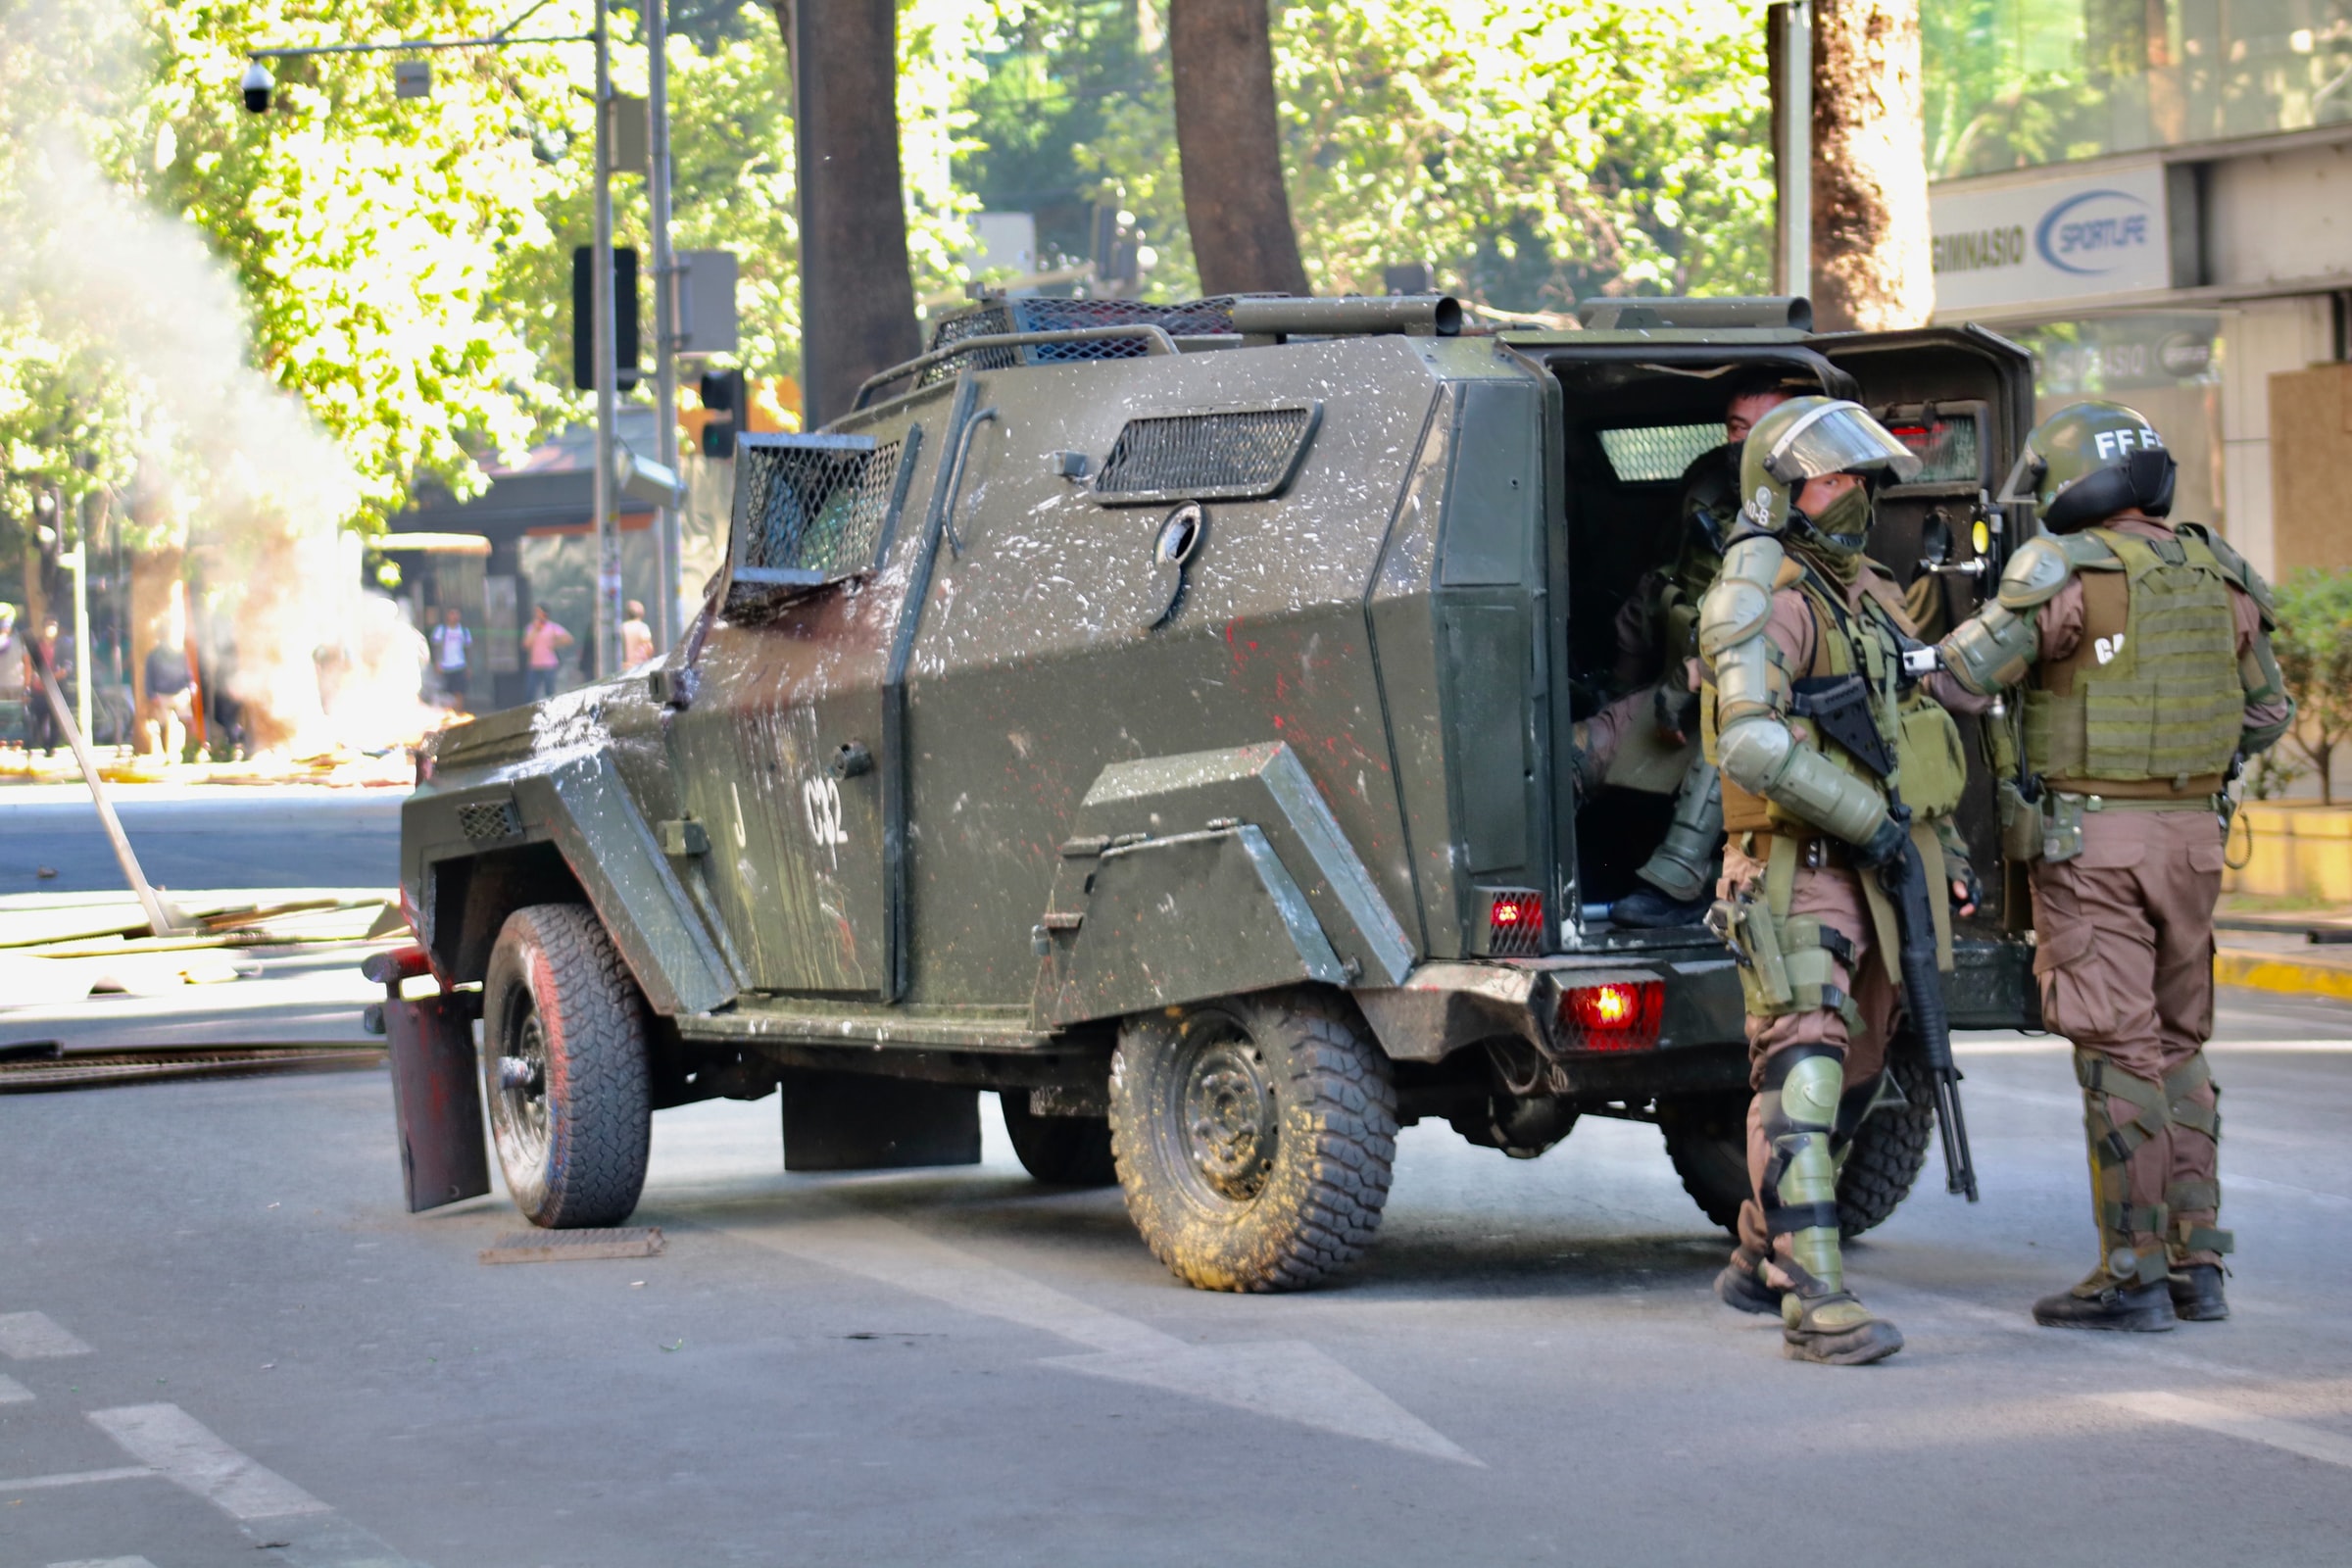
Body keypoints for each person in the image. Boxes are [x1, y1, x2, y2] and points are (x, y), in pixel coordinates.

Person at [1934, 401, 2292, 1331]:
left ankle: (2129, 1274)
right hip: (2194, 840)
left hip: (2095, 844)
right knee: (2180, 1048)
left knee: (2119, 1054)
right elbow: (2267, 715)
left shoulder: (2063, 572)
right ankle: (2197, 1265)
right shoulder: (2220, 573)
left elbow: (1962, 683)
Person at [1697, 396, 1986, 1365]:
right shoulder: (1763, 588)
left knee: (1857, 1078)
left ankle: (1761, 1246)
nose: (1855, 495)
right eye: (1833, 480)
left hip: (1881, 869)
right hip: (1800, 864)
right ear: (1783, 494)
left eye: (1861, 478)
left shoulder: (1864, 585)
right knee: (1807, 1069)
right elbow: (1748, 740)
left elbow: (1922, 709)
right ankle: (1814, 1299)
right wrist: (1868, 821)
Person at [1577, 375, 1798, 927]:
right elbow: (1665, 584)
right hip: (1681, 684)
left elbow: (1786, 628)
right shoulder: (1708, 490)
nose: (1743, 443)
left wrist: (1695, 674)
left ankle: (1680, 879)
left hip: (1759, 700)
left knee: (1733, 725)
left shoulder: (1809, 511)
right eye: (1735, 428)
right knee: (1576, 751)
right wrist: (1628, 683)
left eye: (1761, 430)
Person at [142, 633, 193, 760]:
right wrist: (151, 694)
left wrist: (190, 685)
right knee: (163, 726)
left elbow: (187, 671)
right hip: (161, 694)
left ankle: (189, 752)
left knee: (187, 722)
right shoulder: (153, 655)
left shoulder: (180, 654)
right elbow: (149, 676)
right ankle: (167, 755)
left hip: (180, 692)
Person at [521, 605, 572, 703]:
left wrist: (555, 644)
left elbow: (568, 638)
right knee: (530, 692)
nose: (537, 615)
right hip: (534, 665)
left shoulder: (552, 627)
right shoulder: (530, 628)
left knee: (549, 691)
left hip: (549, 664)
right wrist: (535, 630)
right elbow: (526, 644)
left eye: (539, 612)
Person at [430, 606, 473, 709]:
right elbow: (435, 648)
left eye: (457, 614)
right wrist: (437, 663)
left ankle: (459, 713)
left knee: (459, 693)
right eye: (452, 613)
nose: (454, 616)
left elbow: (468, 649)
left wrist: (469, 666)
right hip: (445, 667)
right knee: (445, 694)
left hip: (459, 665)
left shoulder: (464, 631)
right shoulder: (441, 630)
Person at [0, 604, 25, 750]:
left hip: (16, 684)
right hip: (1, 684)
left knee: (16, 714)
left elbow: (26, 662)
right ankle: (2, 741)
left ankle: (16, 741)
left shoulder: (19, 639)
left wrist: (26, 684)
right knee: (2, 715)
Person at [620, 599, 655, 668]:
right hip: (639, 666)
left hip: (625, 666)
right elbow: (648, 647)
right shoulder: (642, 627)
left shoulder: (622, 627)